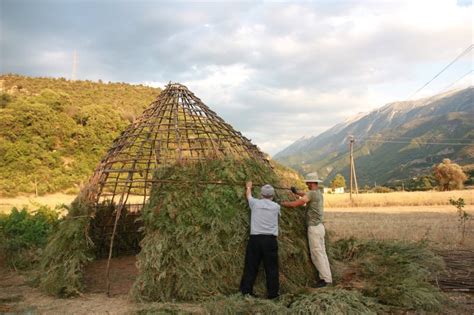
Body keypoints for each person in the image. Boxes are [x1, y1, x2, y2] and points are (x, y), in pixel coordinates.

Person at [281, 174, 332, 288]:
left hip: (314, 228)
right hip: (320, 227)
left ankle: (324, 280)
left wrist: (282, 203)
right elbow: (306, 195)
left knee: (316, 254)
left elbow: (296, 204)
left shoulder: (312, 194)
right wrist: (296, 192)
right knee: (322, 253)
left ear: (312, 183)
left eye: (308, 183)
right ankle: (327, 277)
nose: (306, 184)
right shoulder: (318, 193)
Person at [240, 181, 280, 299]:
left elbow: (248, 196)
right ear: (272, 196)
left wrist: (248, 187)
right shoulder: (276, 207)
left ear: (261, 195)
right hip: (270, 240)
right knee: (272, 268)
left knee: (251, 266)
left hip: (255, 240)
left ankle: (246, 292)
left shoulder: (255, 203)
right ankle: (273, 294)